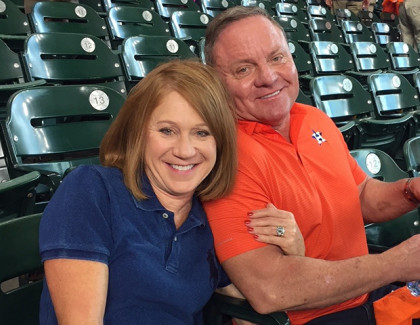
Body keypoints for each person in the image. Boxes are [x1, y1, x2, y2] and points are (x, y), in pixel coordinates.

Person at [202, 6, 420, 325]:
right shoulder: (225, 156)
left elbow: (360, 193)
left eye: (277, 57)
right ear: (217, 82)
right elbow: (269, 288)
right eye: (243, 69)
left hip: (370, 299)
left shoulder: (314, 119)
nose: (268, 77)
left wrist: (411, 190)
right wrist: (395, 264)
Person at [38, 59, 304, 324]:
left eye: (202, 133)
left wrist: (294, 255)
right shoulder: (91, 190)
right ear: (137, 133)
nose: (185, 151)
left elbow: (253, 305)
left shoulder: (210, 217)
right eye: (167, 131)